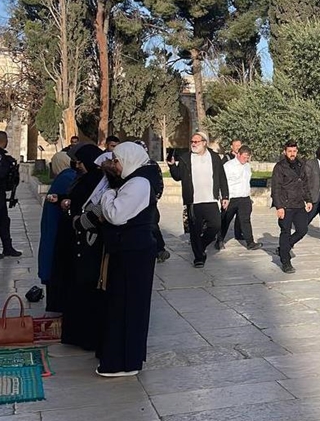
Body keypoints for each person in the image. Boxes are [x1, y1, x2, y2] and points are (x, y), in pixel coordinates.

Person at [96, 142, 160, 377]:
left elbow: (116, 214)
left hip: (135, 252)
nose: (115, 165)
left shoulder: (139, 183)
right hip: (127, 251)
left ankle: (125, 361)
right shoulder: (133, 180)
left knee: (130, 306)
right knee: (120, 304)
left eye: (117, 160)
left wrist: (108, 195)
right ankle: (119, 357)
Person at [57, 144, 107, 349]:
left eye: (79, 161)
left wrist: (79, 221)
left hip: (89, 240)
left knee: (86, 288)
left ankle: (86, 335)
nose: (76, 165)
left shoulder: (98, 182)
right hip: (76, 238)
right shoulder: (84, 179)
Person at [167, 131, 229, 268]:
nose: (193, 144)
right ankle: (198, 257)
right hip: (193, 201)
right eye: (192, 142)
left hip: (210, 199)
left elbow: (222, 177)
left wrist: (225, 196)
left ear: (204, 143)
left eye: (197, 142)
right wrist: (172, 166)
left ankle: (200, 245)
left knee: (216, 225)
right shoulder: (185, 158)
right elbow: (178, 176)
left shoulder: (214, 157)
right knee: (195, 229)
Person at [38, 152, 76, 312]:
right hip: (56, 229)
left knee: (54, 263)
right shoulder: (68, 176)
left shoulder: (64, 178)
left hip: (56, 231)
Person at [270, 141, 313, 273]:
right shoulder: (280, 167)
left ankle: (284, 248)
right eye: (289, 151)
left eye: (294, 151)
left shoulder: (301, 164)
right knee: (285, 231)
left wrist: (308, 200)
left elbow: (305, 184)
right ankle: (286, 261)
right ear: (285, 152)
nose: (292, 154)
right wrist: (279, 206)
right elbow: (275, 188)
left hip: (299, 204)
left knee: (302, 229)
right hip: (286, 205)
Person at [219, 145, 262, 250]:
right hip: (231, 198)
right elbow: (222, 182)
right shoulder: (228, 166)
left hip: (244, 198)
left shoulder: (247, 166)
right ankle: (219, 240)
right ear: (238, 154)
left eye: (248, 158)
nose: (246, 159)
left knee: (245, 220)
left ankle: (250, 242)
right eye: (244, 157)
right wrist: (223, 197)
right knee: (225, 220)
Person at [221, 139, 244, 240]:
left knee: (241, 215)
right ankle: (220, 237)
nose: (238, 147)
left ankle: (239, 234)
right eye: (236, 145)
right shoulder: (226, 159)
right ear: (231, 147)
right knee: (226, 216)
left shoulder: (244, 159)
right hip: (230, 192)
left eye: (240, 145)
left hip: (241, 192)